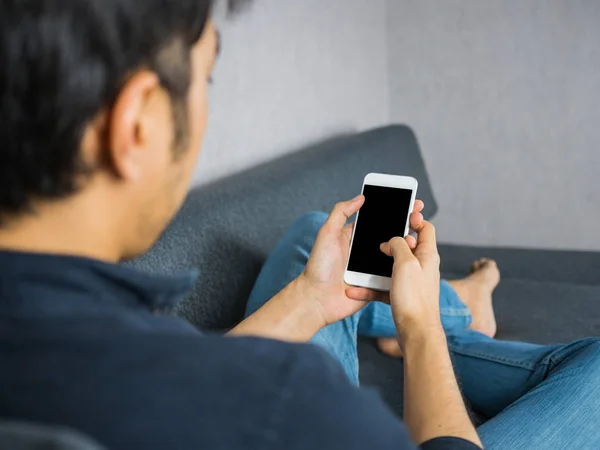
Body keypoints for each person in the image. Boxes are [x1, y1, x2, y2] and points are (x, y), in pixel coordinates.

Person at [0, 1, 598, 449]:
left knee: (316, 235)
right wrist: (421, 336)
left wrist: (315, 301)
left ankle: (450, 305)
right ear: (138, 124)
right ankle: (450, 313)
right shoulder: (291, 404)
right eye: (205, 80)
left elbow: (180, 380)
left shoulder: (101, 356)